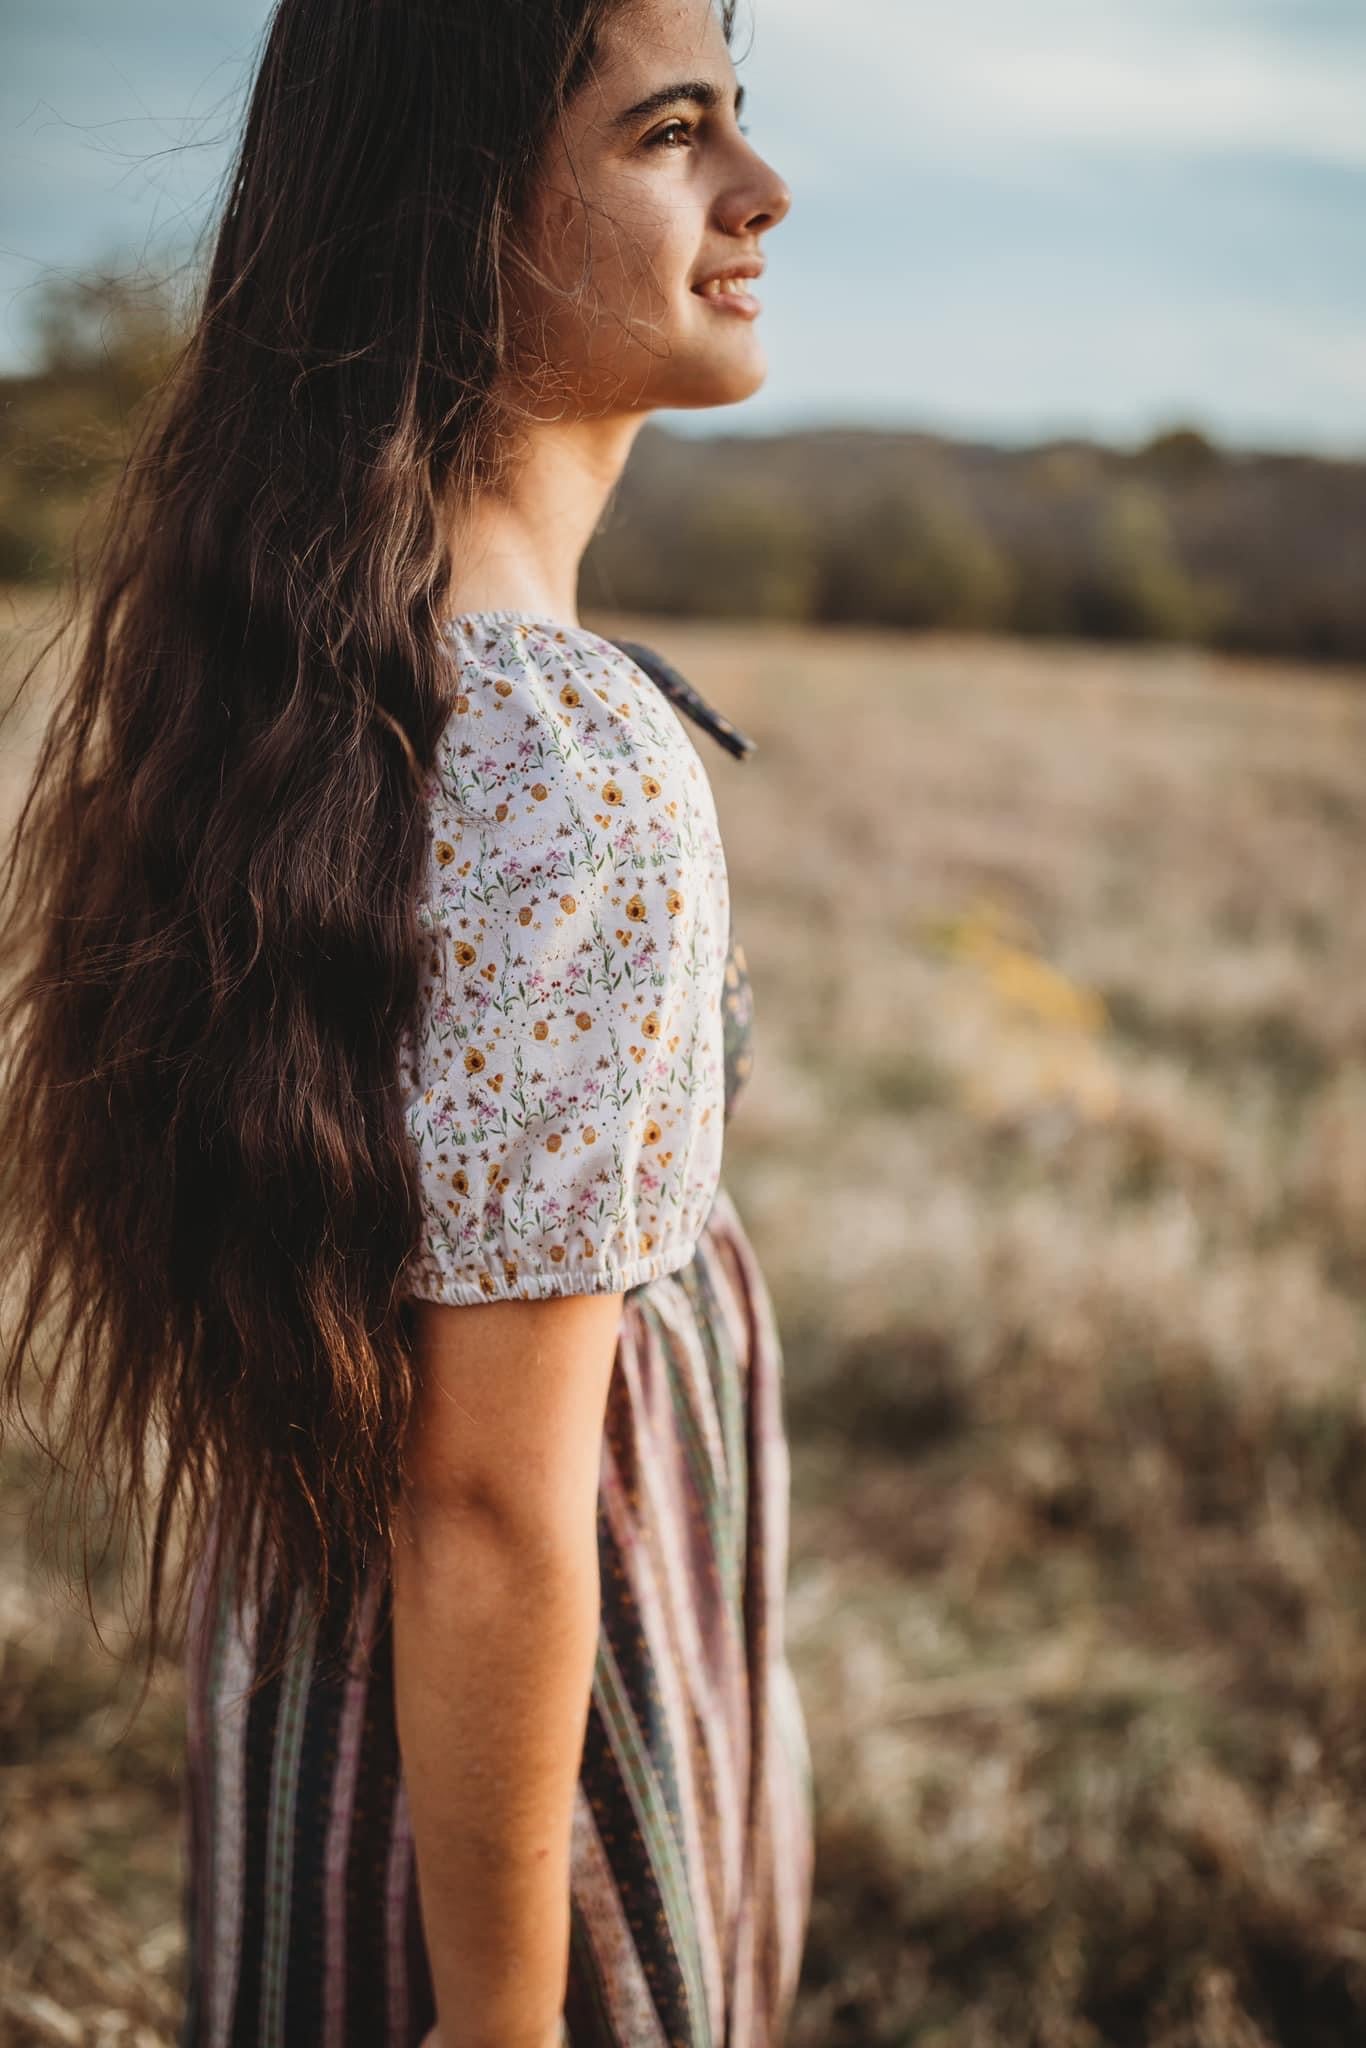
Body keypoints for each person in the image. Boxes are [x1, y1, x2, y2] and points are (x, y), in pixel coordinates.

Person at [0, 0, 810, 2042]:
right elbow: (483, 1492)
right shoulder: (561, 756)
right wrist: (507, 2017)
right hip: (510, 1762)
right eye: (673, 135)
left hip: (339, 1706)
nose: (759, 193)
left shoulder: (331, 657)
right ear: (462, 215)